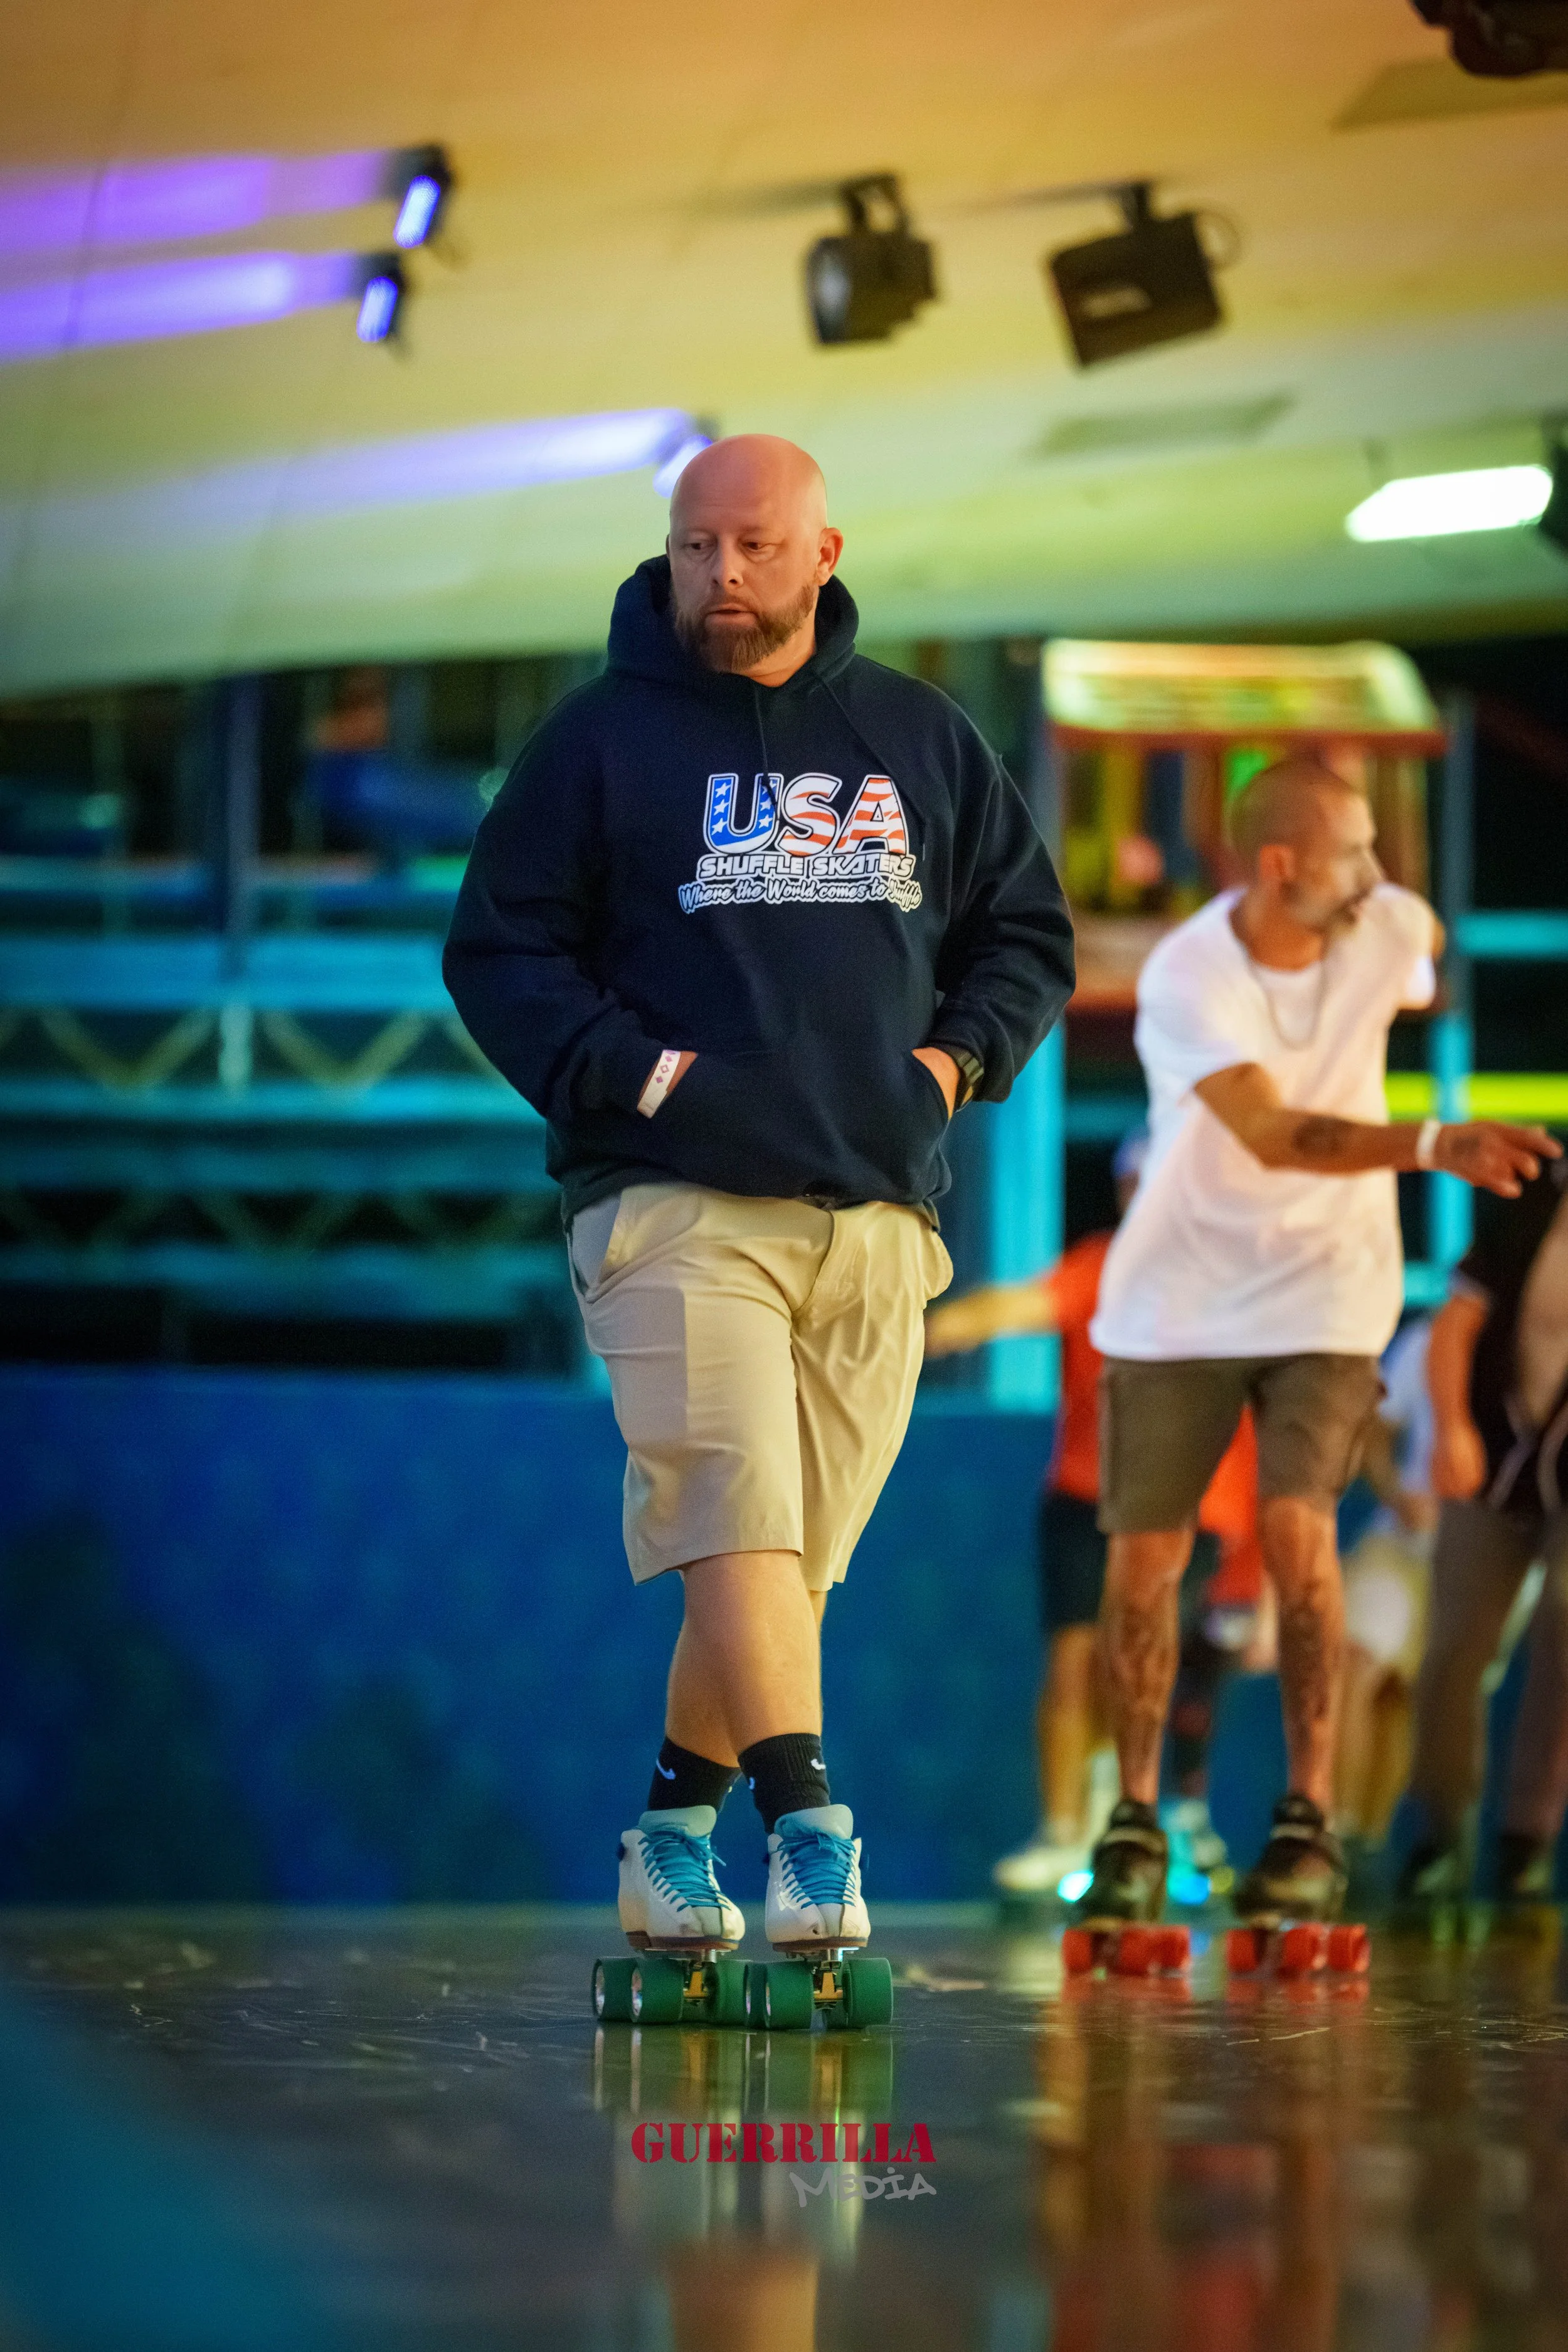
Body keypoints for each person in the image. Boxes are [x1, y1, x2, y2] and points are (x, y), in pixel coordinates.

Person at [443, 435, 1074, 1962]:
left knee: (786, 1567)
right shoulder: (596, 742)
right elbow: (499, 955)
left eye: (753, 546)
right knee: (732, 1503)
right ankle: (809, 1831)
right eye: (695, 547)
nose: (720, 574)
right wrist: (644, 1078)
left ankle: (669, 1836)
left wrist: (947, 1069)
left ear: (823, 552)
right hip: (669, 1201)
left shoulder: (915, 734)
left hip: (875, 1213)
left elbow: (1026, 934)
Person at [1072, 751, 1557, 1929]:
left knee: (1300, 1535)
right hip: (1181, 1295)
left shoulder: (1383, 925)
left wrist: (1397, 906)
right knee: (1147, 1561)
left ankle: (1308, 1820)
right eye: (1351, 855)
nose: (1375, 876)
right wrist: (1433, 1144)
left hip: (1330, 1295)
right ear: (1280, 866)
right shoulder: (1192, 972)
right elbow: (1275, 1134)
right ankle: (1132, 1816)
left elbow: (1415, 926)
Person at [923, 1130, 1258, 1896]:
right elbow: (1021, 1305)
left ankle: (1127, 1814)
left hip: (1190, 1510)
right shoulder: (1102, 1265)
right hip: (1084, 1498)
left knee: (1134, 1650)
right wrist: (925, 1329)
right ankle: (1063, 1831)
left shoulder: (1233, 1283)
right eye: (1134, 1183)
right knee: (1072, 1662)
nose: (1147, 1198)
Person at [1395, 1157, 1568, 1901]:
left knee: (1565, 1623)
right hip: (1493, 1455)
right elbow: (1455, 1326)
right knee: (1455, 1644)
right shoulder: (1528, 1202)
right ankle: (1439, 1833)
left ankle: (1526, 1838)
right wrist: (1451, 1429)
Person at [1333, 1315, 1438, 1860]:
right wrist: (1397, 1494)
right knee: (1354, 1666)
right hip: (1400, 1538)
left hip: (1487, 1552)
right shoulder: (1429, 1340)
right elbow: (1377, 1431)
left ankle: (1369, 1849)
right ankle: (1335, 1834)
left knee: (1403, 1696)